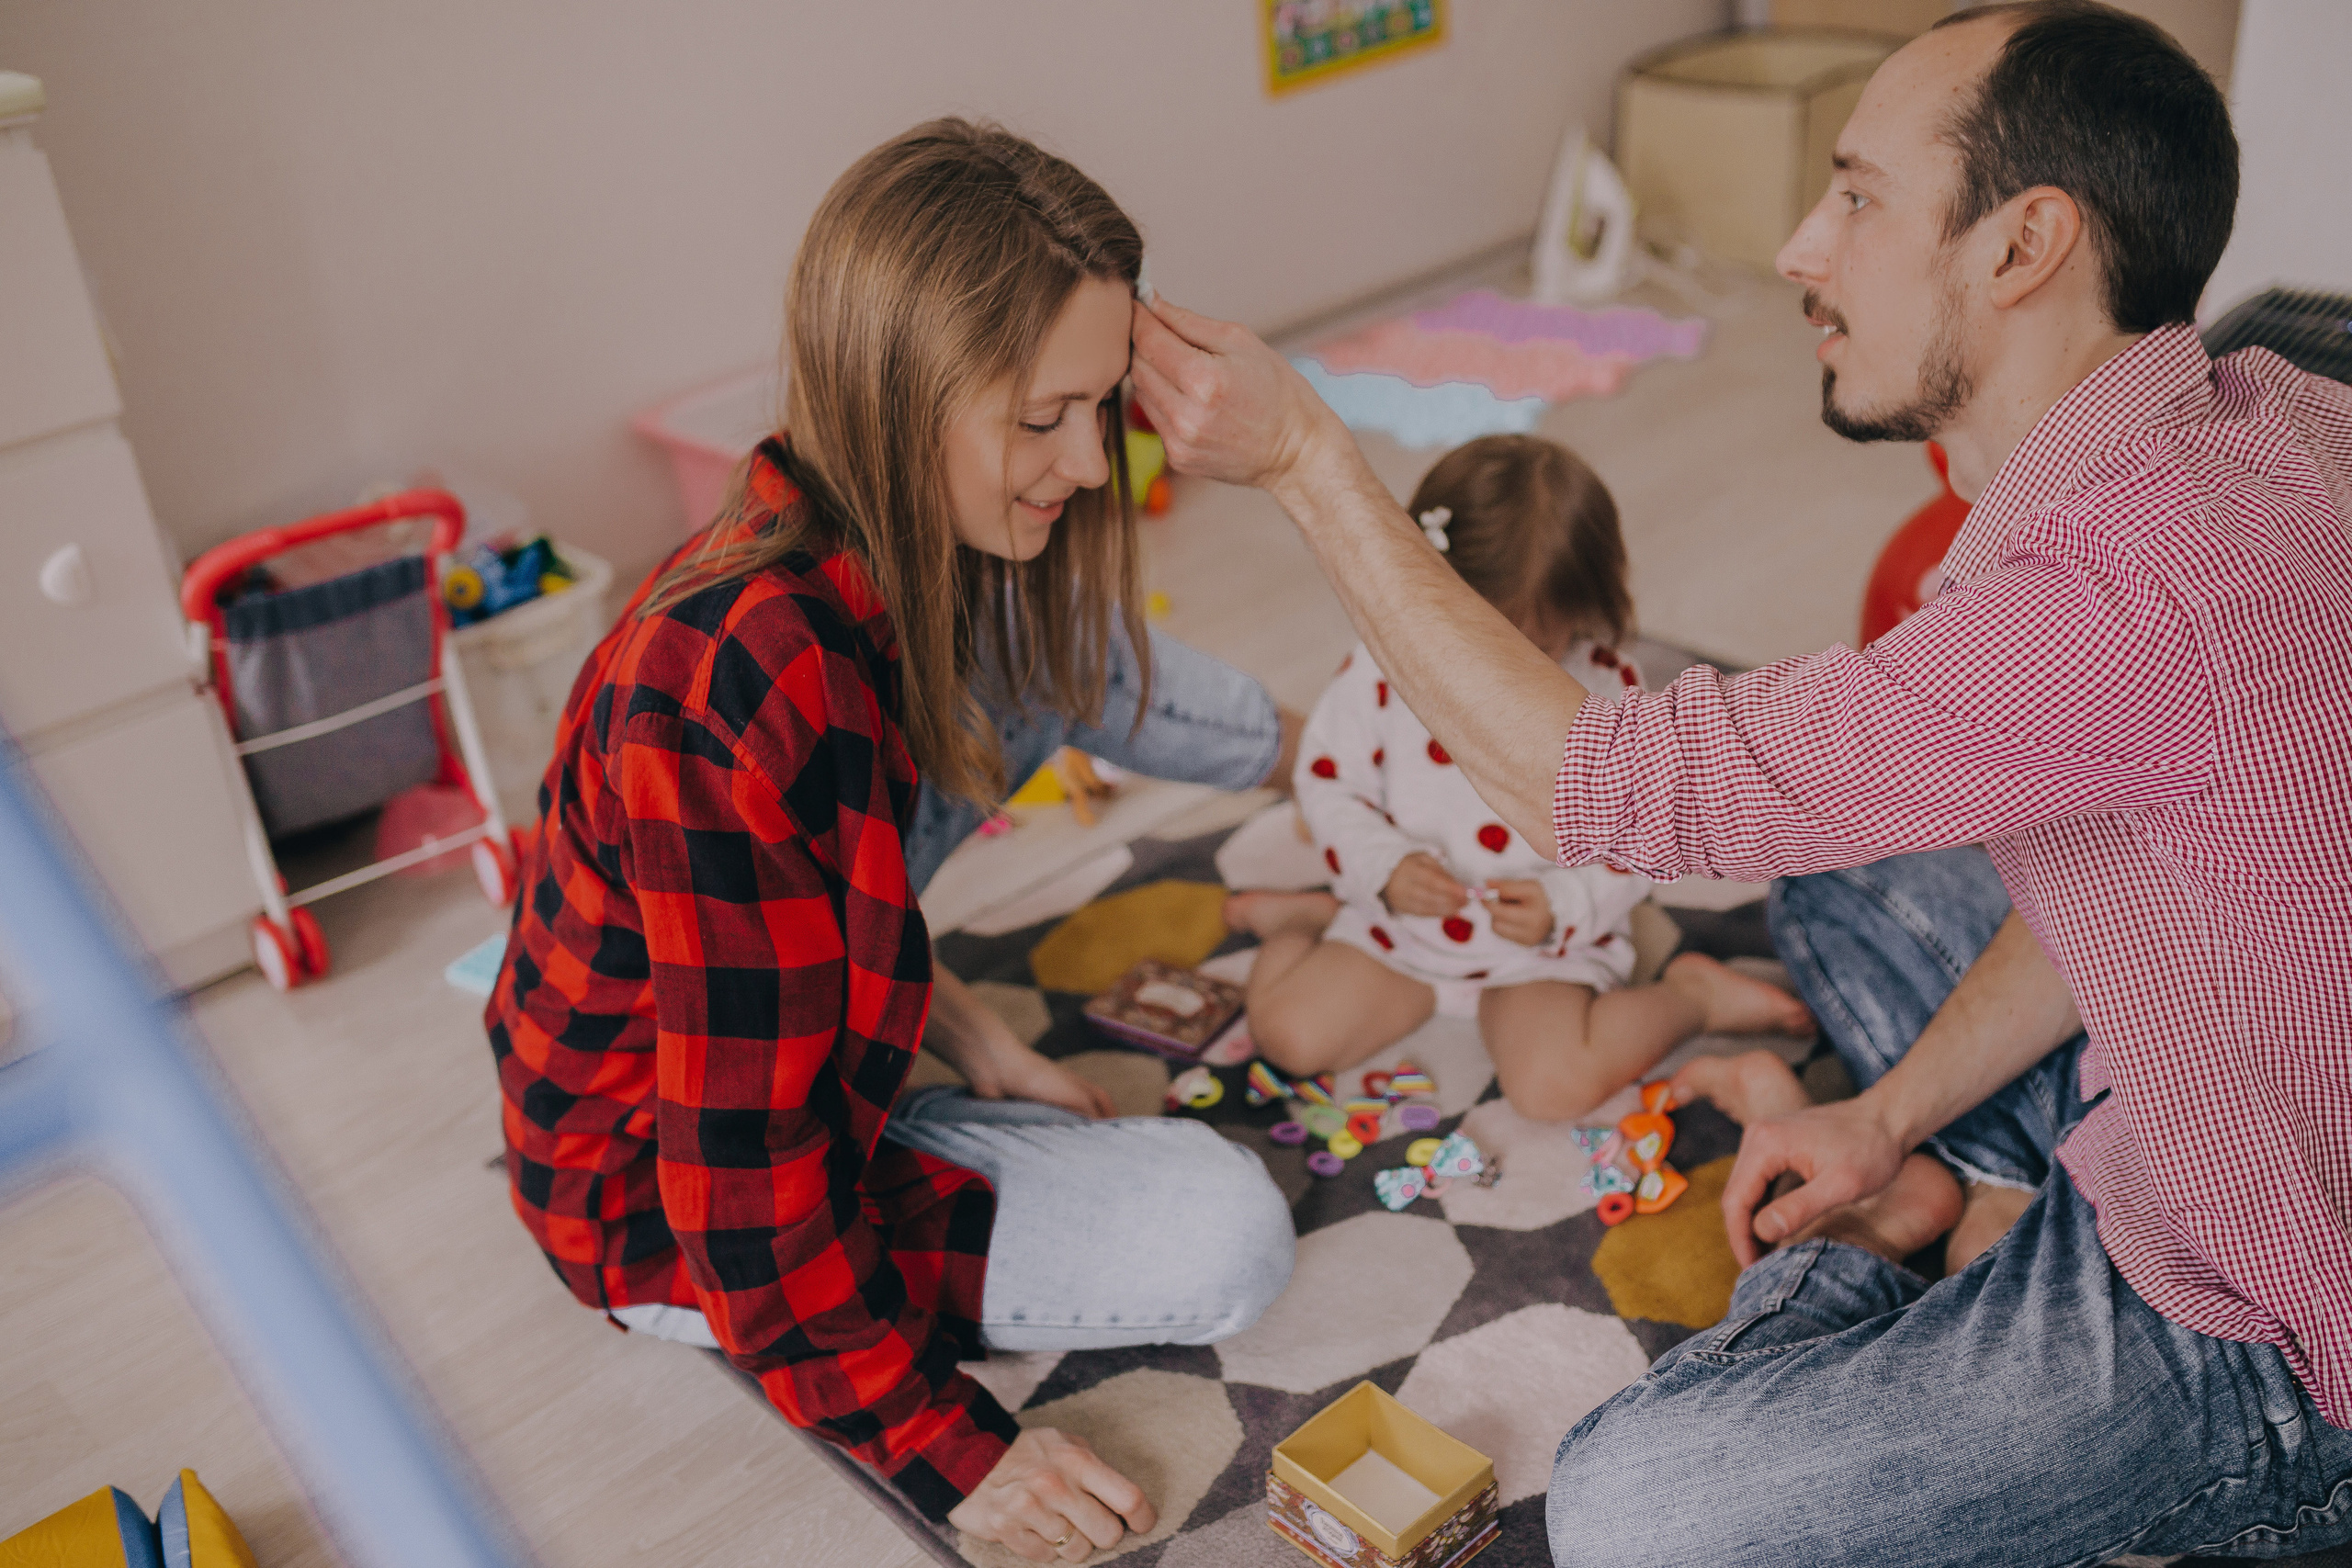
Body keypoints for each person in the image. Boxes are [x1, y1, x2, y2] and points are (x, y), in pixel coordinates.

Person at [1125, 1, 2352, 1561]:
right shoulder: (2281, 411)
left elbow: (1603, 783)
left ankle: (1918, 1240)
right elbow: (2141, 847)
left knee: (1649, 1507)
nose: (1795, 246)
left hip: (2273, 1338)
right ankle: (1951, 1171)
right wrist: (1889, 1113)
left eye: (1855, 195)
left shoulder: (2123, 599)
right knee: (1846, 864)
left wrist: (1308, 456)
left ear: (2023, 243)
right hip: (2221, 1093)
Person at [487, 119, 1295, 1564]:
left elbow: (843, 897)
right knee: (1224, 1234)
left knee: (1043, 655)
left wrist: (967, 1029)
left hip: (794, 1061)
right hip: (659, 1197)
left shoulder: (885, 567)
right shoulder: (738, 670)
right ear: (903, 391)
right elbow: (737, 1176)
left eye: (1098, 410)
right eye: (1044, 418)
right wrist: (948, 1447)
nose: (1092, 466)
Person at [1227, 434, 1811, 1119]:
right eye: (1466, 631)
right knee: (1291, 1035)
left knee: (1553, 1087)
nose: (1491, 667)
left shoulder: (1604, 691)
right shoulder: (1380, 668)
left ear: (1583, 610)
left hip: (1539, 951)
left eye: (1531, 645)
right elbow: (1327, 781)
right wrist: (1379, 869)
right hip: (1402, 929)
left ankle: (1694, 995)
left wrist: (1564, 907)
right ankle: (1305, 921)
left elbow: (1643, 833)